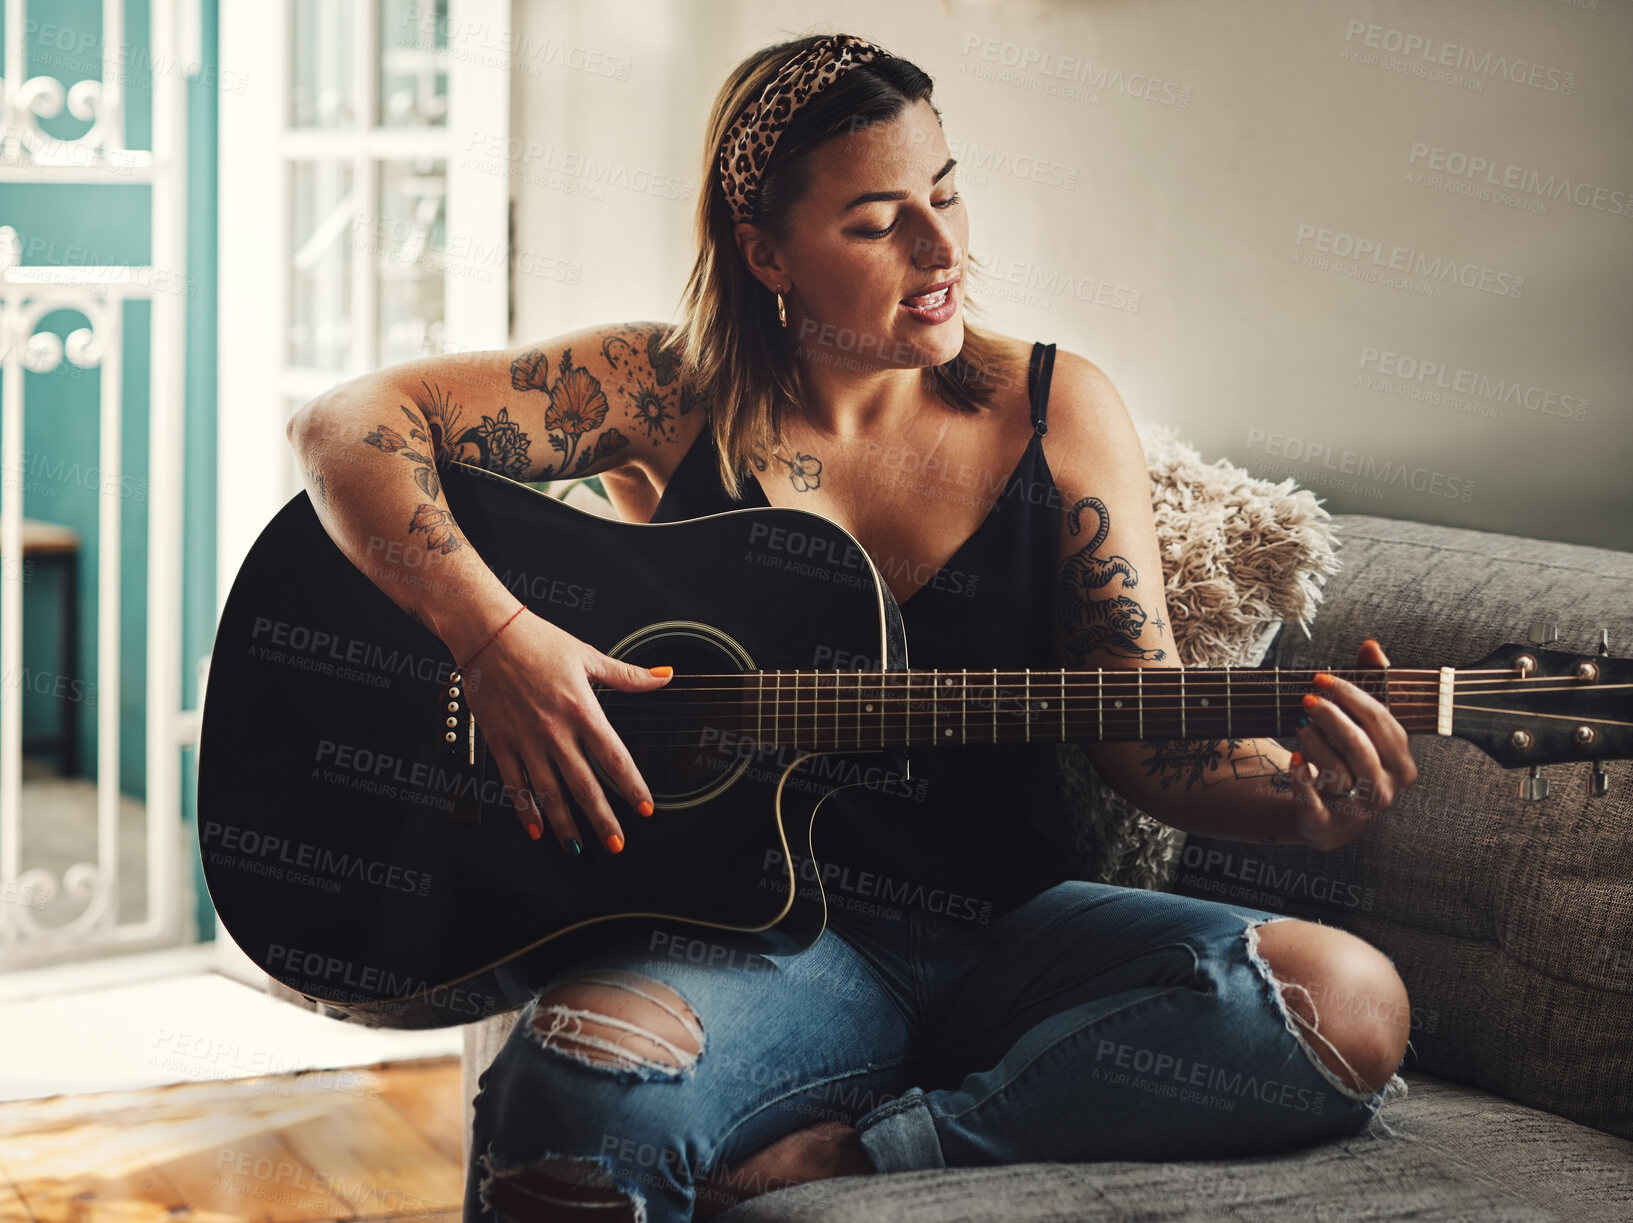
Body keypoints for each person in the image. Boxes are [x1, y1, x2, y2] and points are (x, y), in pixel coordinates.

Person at [286, 32, 1419, 1223]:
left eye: (945, 193)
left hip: (1014, 931)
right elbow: (347, 425)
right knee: (567, 1092)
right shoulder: (665, 392)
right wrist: (497, 641)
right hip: (751, 947)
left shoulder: (1053, 407)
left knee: (1346, 998)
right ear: (766, 253)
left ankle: (884, 1148)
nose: (941, 250)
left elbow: (1143, 728)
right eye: (877, 222)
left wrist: (1296, 792)